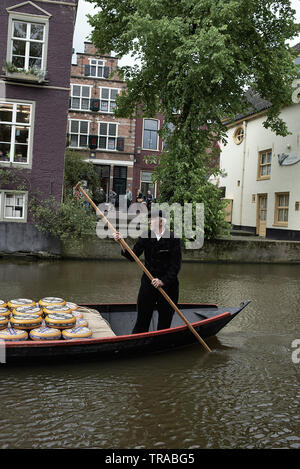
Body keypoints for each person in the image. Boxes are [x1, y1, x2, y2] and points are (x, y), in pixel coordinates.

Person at [113, 210, 181, 333]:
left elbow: (175, 266)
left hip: (168, 286)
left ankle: (161, 343)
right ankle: (137, 341)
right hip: (148, 283)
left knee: (165, 322)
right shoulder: (146, 236)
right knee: (142, 319)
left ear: (161, 221)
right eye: (148, 219)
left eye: (152, 219)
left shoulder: (173, 239)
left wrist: (162, 281)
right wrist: (121, 243)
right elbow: (132, 256)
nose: (149, 221)